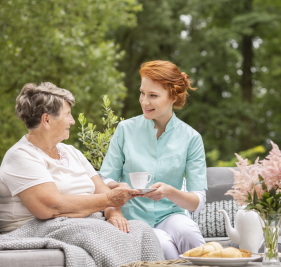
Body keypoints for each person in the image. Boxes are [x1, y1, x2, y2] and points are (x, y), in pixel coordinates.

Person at [0, 82, 164, 262]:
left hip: (82, 222)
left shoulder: (71, 152)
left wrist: (114, 213)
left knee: (142, 230)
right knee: (96, 232)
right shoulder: (21, 156)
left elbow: (104, 193)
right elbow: (50, 207)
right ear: (46, 120)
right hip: (34, 227)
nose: (72, 120)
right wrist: (109, 199)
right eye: (68, 115)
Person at [100, 60, 207, 259]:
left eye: (153, 96)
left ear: (173, 97)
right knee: (163, 245)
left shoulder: (191, 138)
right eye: (142, 92)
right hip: (133, 217)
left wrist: (170, 192)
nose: (144, 101)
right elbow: (104, 178)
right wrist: (118, 185)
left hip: (171, 215)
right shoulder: (125, 130)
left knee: (189, 233)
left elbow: (197, 202)